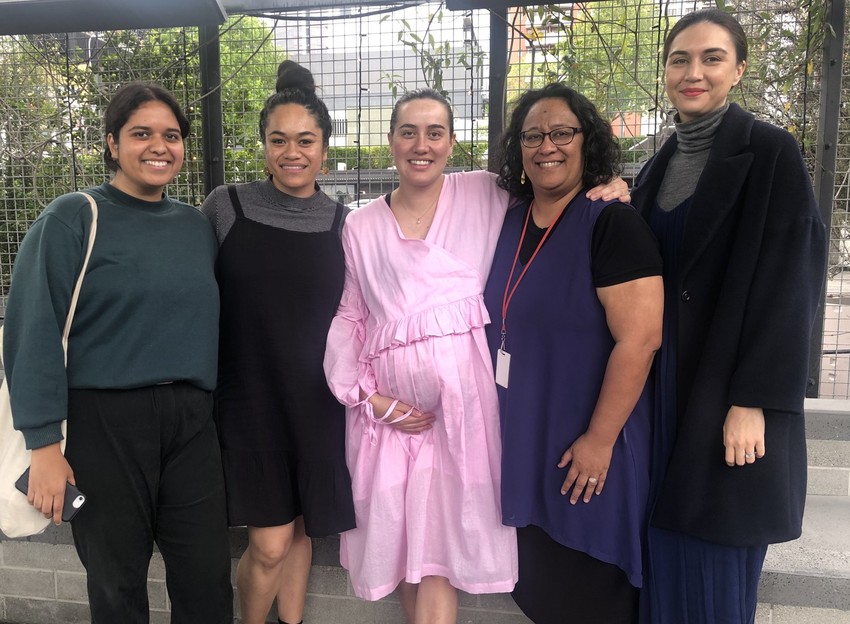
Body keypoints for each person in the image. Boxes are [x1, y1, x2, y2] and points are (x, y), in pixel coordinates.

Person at [323, 88, 631, 623]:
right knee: (402, 548)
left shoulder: (486, 194)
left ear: (452, 142)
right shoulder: (360, 226)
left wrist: (614, 183)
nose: (422, 145)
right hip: (391, 424)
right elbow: (352, 317)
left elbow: (554, 191)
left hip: (464, 416)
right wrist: (367, 397)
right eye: (409, 132)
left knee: (439, 552)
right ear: (391, 140)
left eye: (435, 132)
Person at [3, 82, 233, 623]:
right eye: (141, 133)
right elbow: (32, 331)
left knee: (206, 579)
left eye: (171, 135)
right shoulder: (73, 218)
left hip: (192, 424)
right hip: (104, 424)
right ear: (112, 143)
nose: (159, 146)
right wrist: (43, 445)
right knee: (116, 583)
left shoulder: (195, 228)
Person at [629, 10, 827, 624]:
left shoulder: (769, 153)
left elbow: (791, 286)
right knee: (664, 559)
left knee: (711, 565)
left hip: (724, 399)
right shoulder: (657, 166)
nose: (694, 72)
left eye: (711, 58)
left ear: (738, 69)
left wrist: (754, 401)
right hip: (662, 397)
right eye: (679, 59)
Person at [481, 84, 664, 623]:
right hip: (526, 440)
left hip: (588, 449)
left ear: (588, 142)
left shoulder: (611, 223)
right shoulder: (510, 220)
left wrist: (599, 440)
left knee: (589, 593)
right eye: (533, 135)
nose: (547, 147)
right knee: (545, 593)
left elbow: (642, 338)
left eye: (562, 133)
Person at [201, 60, 355, 624]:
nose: (292, 152)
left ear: (324, 146)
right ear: (264, 143)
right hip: (246, 403)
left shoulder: (345, 223)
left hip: (316, 404)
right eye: (278, 140)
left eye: (305, 140)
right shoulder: (226, 206)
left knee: (301, 533)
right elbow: (193, 293)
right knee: (267, 544)